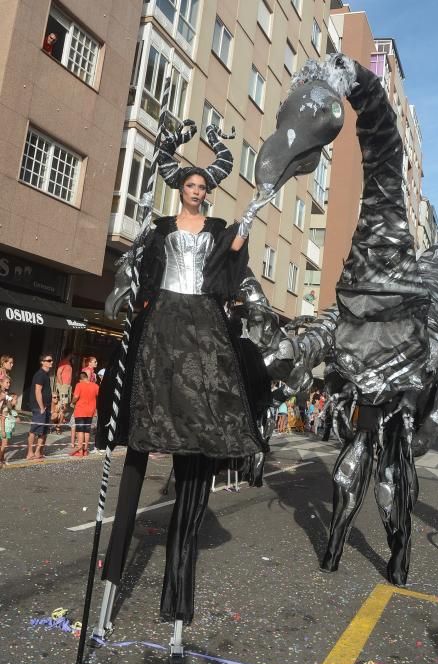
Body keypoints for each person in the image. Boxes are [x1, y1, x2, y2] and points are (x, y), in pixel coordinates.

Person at [97, 119, 272, 625]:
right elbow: (134, 264)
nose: (197, 190)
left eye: (203, 186)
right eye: (191, 184)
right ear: (180, 188)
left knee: (211, 381)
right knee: (152, 387)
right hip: (164, 315)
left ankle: (177, 601)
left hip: (202, 317)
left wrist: (224, 152)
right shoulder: (159, 228)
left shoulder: (217, 229)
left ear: (208, 192)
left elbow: (234, 260)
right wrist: (122, 290)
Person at [26, 355, 53, 460]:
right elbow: (38, 391)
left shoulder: (46, 375)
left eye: (51, 360)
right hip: (39, 407)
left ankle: (37, 452)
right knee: (35, 429)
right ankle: (29, 452)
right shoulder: (40, 374)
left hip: (46, 406)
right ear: (42, 362)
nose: (51, 362)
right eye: (49, 360)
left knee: (44, 431)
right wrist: (41, 407)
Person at [71, 371, 99, 457]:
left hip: (80, 410)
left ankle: (80, 451)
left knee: (80, 430)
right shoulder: (95, 386)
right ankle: (85, 450)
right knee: (87, 430)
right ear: (87, 377)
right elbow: (98, 396)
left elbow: (75, 397)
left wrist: (72, 402)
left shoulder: (79, 385)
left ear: (80, 379)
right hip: (91, 411)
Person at [1, 393, 18, 466]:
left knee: (4, 446)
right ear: (10, 400)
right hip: (5, 430)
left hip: (9, 430)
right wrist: (3, 431)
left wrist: (17, 418)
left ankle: (2, 459)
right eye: (15, 399)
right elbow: (2, 420)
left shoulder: (13, 410)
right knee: (4, 446)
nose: (16, 401)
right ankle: (1, 460)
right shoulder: (6, 409)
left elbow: (15, 418)